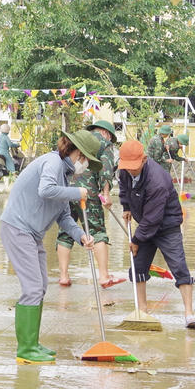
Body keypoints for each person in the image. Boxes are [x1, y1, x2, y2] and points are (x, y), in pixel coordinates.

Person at [0, 129, 100, 364]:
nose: (84, 165)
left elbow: (64, 216)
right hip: (17, 228)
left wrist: (81, 236)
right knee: (33, 288)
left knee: (41, 285)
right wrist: (78, 192)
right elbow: (45, 190)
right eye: (85, 160)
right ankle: (25, 350)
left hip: (33, 234)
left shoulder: (65, 176)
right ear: (78, 154)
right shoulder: (53, 162)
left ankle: (32, 343)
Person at [116, 140, 195, 328]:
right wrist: (127, 206)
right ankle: (142, 310)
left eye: (134, 168)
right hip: (145, 225)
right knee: (137, 266)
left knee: (178, 266)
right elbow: (124, 188)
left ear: (144, 159)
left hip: (166, 226)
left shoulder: (158, 180)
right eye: (127, 167)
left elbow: (153, 218)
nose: (130, 171)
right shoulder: (125, 170)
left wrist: (136, 240)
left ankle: (189, 313)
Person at [57, 119, 122, 291]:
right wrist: (106, 194)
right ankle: (104, 276)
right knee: (97, 231)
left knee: (65, 230)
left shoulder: (78, 139)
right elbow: (106, 169)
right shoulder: (105, 143)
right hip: (89, 193)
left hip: (66, 190)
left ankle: (63, 276)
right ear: (106, 133)